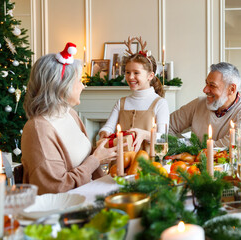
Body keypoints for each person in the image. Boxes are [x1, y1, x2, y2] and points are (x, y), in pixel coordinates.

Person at [21, 43, 117, 195]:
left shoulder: (70, 113)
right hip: (63, 209)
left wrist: (102, 154)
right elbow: (56, 188)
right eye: (79, 81)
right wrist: (96, 159)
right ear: (61, 87)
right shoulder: (38, 129)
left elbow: (86, 160)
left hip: (86, 195)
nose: (83, 86)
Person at [99, 37, 169, 152]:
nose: (130, 77)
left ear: (150, 76)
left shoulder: (160, 103)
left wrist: (145, 134)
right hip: (121, 162)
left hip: (148, 164)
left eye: (136, 73)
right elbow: (108, 127)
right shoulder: (121, 103)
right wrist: (104, 132)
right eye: (127, 72)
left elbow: (163, 137)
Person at [169, 62, 241, 147]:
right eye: (206, 83)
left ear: (231, 89)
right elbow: (167, 125)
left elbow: (235, 143)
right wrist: (177, 148)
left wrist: (197, 151)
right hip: (193, 163)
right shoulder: (198, 104)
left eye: (212, 85)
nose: (205, 90)